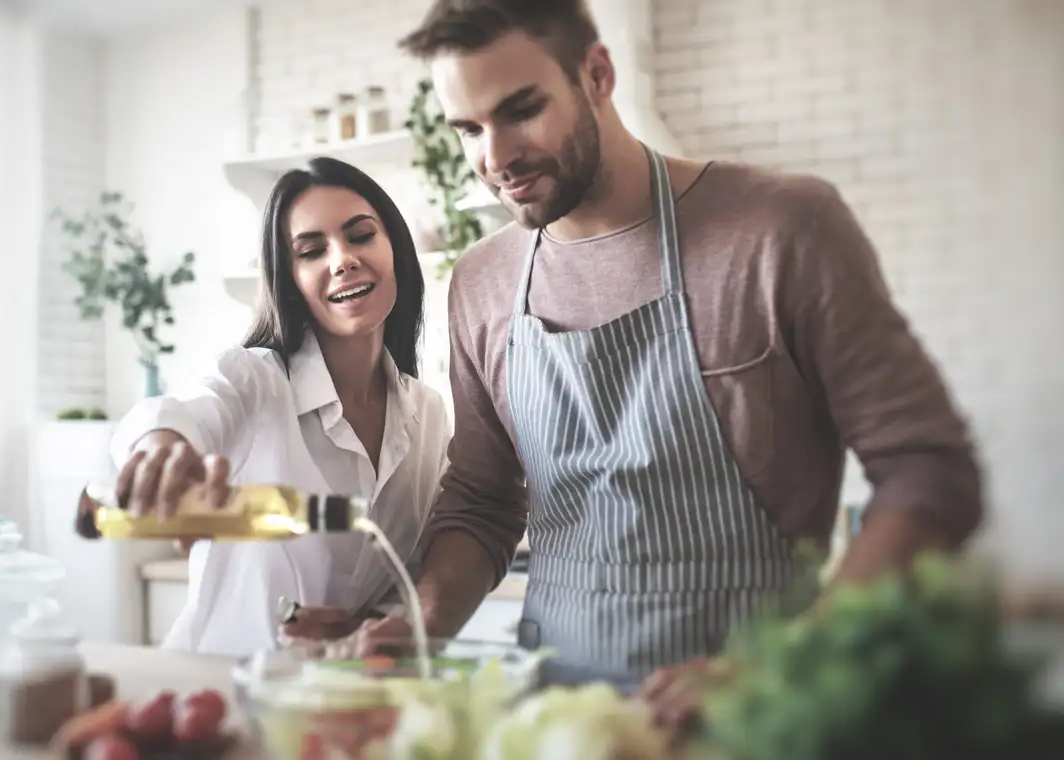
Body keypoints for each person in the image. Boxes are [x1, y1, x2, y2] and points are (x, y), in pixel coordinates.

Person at [341, 0, 984, 735]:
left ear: (598, 74)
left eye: (520, 110)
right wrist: (422, 621)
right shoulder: (483, 283)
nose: (495, 157)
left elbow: (930, 470)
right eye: (469, 129)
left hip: (761, 720)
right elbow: (484, 498)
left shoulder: (782, 230)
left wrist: (788, 661)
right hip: (560, 727)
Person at [85, 156, 451, 658]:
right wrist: (161, 446)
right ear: (291, 280)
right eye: (311, 251)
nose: (342, 259)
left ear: (397, 251)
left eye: (360, 235)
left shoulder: (428, 415)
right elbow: (180, 414)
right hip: (219, 687)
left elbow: (410, 576)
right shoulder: (253, 381)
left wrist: (368, 623)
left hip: (339, 702)